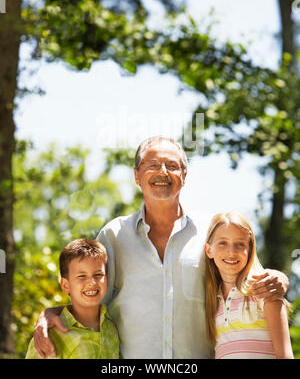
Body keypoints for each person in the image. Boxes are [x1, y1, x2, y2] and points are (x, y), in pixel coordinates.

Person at [33, 136, 289, 359]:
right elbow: (89, 293)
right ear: (136, 176)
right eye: (152, 165)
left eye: (172, 166)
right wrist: (51, 312)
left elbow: (247, 276)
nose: (162, 172)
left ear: (184, 176)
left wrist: (280, 277)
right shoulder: (113, 234)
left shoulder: (211, 231)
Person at [204, 211, 294, 359]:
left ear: (250, 249)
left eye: (240, 244)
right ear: (209, 250)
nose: (231, 251)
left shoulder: (265, 291)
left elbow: (285, 355)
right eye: (223, 243)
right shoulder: (214, 302)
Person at [26, 239, 119, 359]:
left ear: (107, 279)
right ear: (66, 285)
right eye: (81, 276)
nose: (92, 282)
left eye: (98, 275)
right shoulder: (50, 336)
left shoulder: (111, 327)